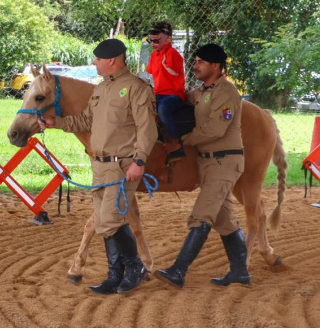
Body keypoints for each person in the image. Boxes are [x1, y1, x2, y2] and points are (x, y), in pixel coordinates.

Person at [38, 39, 158, 294]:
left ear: (112, 60)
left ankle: (134, 267)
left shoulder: (136, 88)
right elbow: (85, 121)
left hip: (123, 165)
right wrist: (54, 122)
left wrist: (139, 161)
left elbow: (147, 128)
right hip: (100, 165)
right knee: (104, 222)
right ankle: (115, 274)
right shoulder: (100, 90)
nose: (94, 63)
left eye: (98, 59)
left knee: (111, 221)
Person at [154, 43, 251, 288]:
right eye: (195, 61)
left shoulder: (227, 93)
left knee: (201, 216)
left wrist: (182, 140)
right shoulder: (201, 91)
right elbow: (181, 97)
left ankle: (178, 271)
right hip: (207, 163)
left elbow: (217, 128)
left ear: (216, 66)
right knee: (224, 219)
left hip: (224, 161)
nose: (194, 65)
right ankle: (240, 272)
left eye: (200, 62)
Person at [145, 22, 187, 161]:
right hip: (158, 93)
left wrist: (166, 66)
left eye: (156, 40)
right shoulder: (154, 55)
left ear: (167, 38)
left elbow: (175, 73)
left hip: (173, 95)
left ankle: (176, 143)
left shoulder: (172, 53)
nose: (153, 43)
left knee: (163, 109)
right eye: (150, 40)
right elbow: (150, 72)